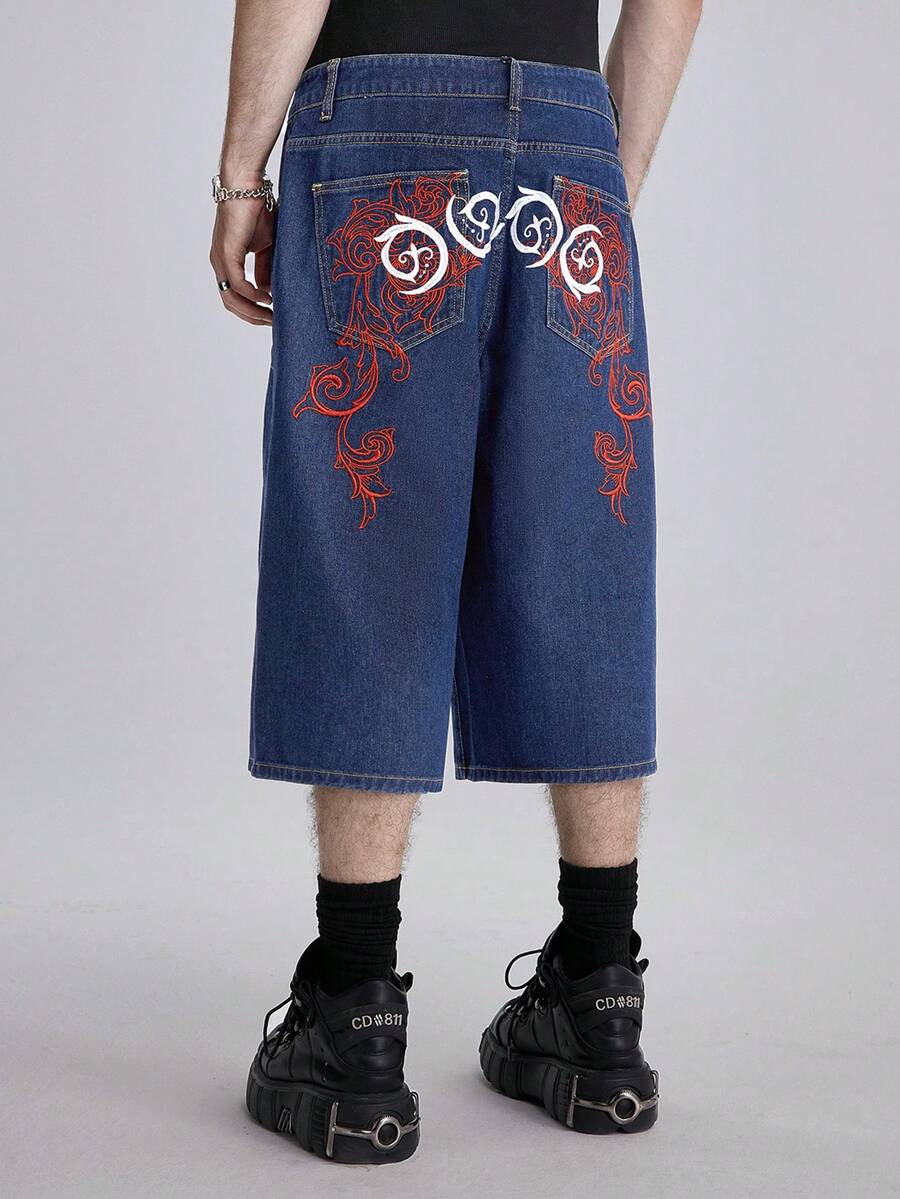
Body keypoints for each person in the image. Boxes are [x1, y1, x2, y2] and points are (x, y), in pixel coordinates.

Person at [210, 0, 701, 1165]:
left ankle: (354, 1012)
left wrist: (239, 175)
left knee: (368, 540)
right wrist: (607, 167)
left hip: (382, 115)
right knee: (585, 534)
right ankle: (599, 992)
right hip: (571, 133)